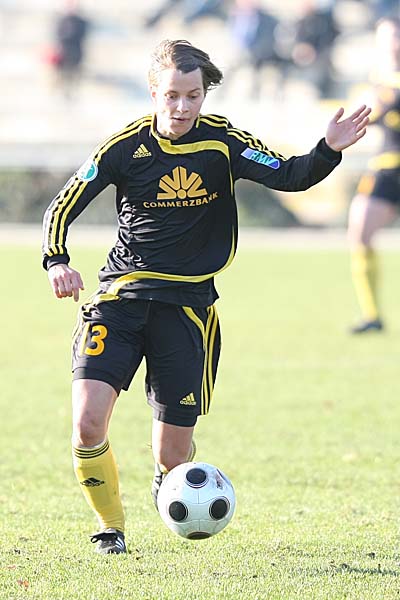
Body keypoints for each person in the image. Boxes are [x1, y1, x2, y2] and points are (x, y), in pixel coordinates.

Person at [42, 39, 370, 555]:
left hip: (188, 312)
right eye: (172, 96)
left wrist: (328, 148)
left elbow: (291, 175)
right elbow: (62, 206)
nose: (182, 107)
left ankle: (166, 480)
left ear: (204, 94)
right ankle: (110, 529)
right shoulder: (122, 148)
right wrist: (57, 260)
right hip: (120, 300)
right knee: (86, 423)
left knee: (173, 457)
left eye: (192, 96)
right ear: (154, 93)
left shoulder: (223, 142)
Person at [347, 17, 400, 334]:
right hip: (389, 165)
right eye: (386, 37)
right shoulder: (378, 78)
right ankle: (372, 315)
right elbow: (363, 111)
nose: (392, 43)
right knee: (360, 230)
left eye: (395, 36)